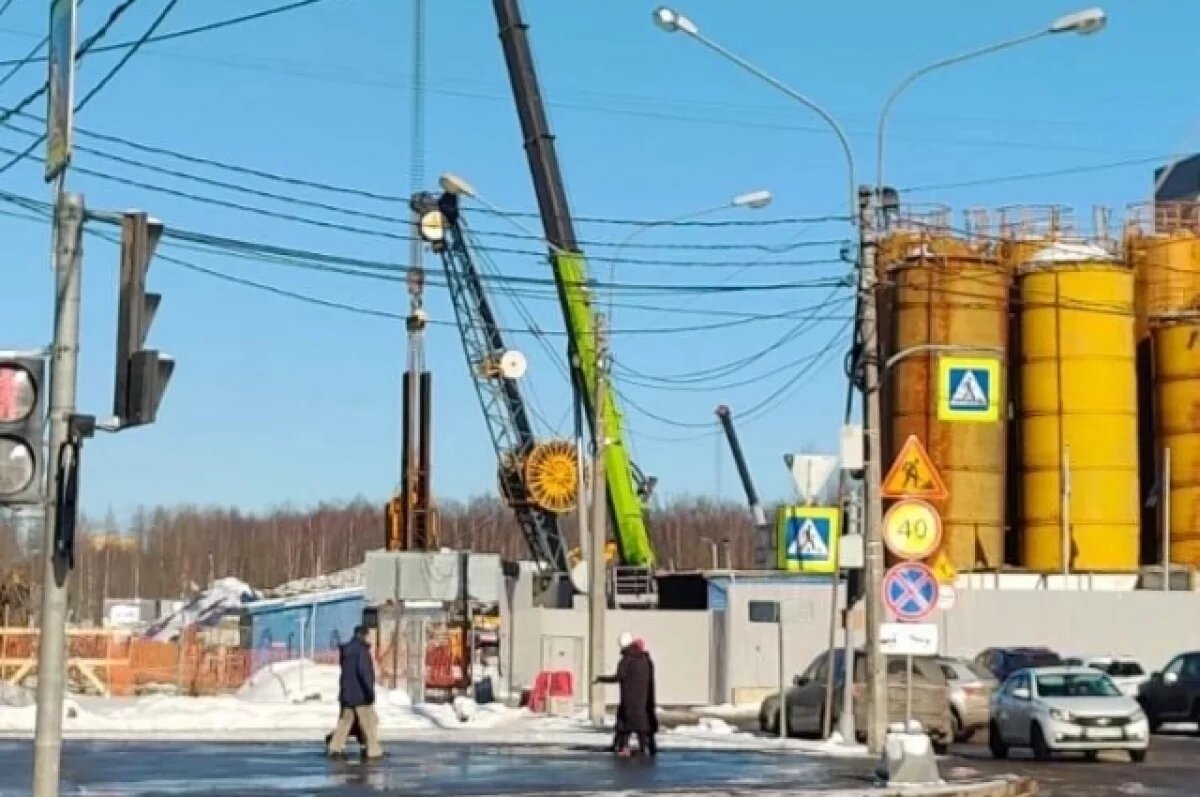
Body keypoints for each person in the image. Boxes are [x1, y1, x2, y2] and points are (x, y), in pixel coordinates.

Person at [327, 625, 384, 761]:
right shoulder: (362, 651)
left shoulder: (346, 650)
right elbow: (364, 673)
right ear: (363, 635)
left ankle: (335, 747)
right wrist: (370, 692)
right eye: (368, 635)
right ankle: (373, 750)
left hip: (347, 693)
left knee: (345, 722)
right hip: (360, 695)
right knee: (369, 723)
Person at [595, 631, 657, 757]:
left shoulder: (626, 659)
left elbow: (618, 677)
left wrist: (601, 679)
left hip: (628, 697)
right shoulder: (645, 659)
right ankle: (646, 746)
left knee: (624, 723)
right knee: (641, 723)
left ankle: (622, 746)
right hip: (643, 698)